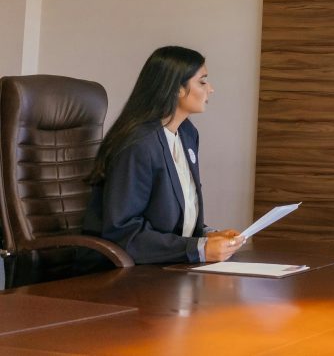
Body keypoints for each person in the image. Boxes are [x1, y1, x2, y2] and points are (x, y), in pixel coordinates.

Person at [83, 46, 243, 264]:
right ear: (177, 88)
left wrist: (207, 236)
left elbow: (172, 217)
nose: (211, 89)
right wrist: (199, 249)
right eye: (202, 81)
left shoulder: (187, 133)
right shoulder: (138, 144)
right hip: (126, 274)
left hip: (168, 265)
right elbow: (124, 233)